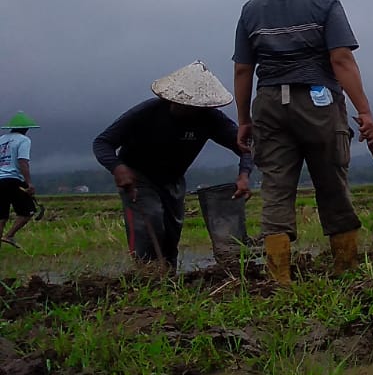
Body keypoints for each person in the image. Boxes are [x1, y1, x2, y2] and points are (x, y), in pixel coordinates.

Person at [233, 0, 373, 284]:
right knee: (332, 183)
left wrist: (243, 120)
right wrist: (365, 111)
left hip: (268, 103)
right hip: (317, 101)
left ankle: (279, 281)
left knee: (276, 189)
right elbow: (341, 59)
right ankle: (345, 271)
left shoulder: (252, 8)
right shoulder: (325, 3)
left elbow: (242, 69)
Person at [93, 63, 253, 269]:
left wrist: (244, 175)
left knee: (171, 233)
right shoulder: (147, 112)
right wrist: (118, 168)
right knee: (149, 223)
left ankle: (169, 278)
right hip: (138, 177)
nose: (193, 111)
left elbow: (245, 146)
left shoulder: (209, 118)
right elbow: (102, 142)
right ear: (173, 100)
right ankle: (146, 276)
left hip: (173, 179)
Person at [0, 112, 40, 248]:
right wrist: (29, 183)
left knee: (1, 216)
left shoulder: (1, 139)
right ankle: (9, 235)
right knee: (28, 211)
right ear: (26, 129)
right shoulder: (23, 140)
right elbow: (23, 161)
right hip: (13, 180)